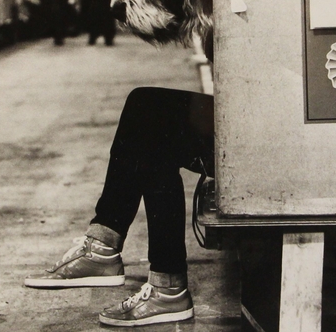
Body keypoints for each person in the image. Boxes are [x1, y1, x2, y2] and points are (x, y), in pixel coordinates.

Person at [24, 86, 215, 327]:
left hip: (259, 126)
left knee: (151, 119)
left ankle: (161, 283)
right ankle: (149, 274)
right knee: (144, 106)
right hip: (253, 108)